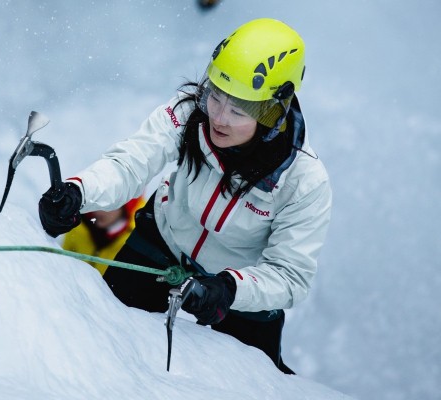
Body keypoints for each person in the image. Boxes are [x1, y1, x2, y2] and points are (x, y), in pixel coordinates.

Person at [38, 18, 332, 374]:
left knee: (254, 384)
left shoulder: (303, 180)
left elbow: (291, 274)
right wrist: (79, 191)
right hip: (162, 244)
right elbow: (133, 161)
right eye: (215, 96)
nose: (218, 118)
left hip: (237, 291)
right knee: (99, 344)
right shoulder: (190, 112)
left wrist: (229, 288)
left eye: (238, 110)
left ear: (274, 111)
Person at [61, 197, 145, 275]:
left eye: (109, 206)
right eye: (98, 202)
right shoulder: (78, 225)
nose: (100, 211)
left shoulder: (137, 243)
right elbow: (62, 265)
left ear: (124, 208)